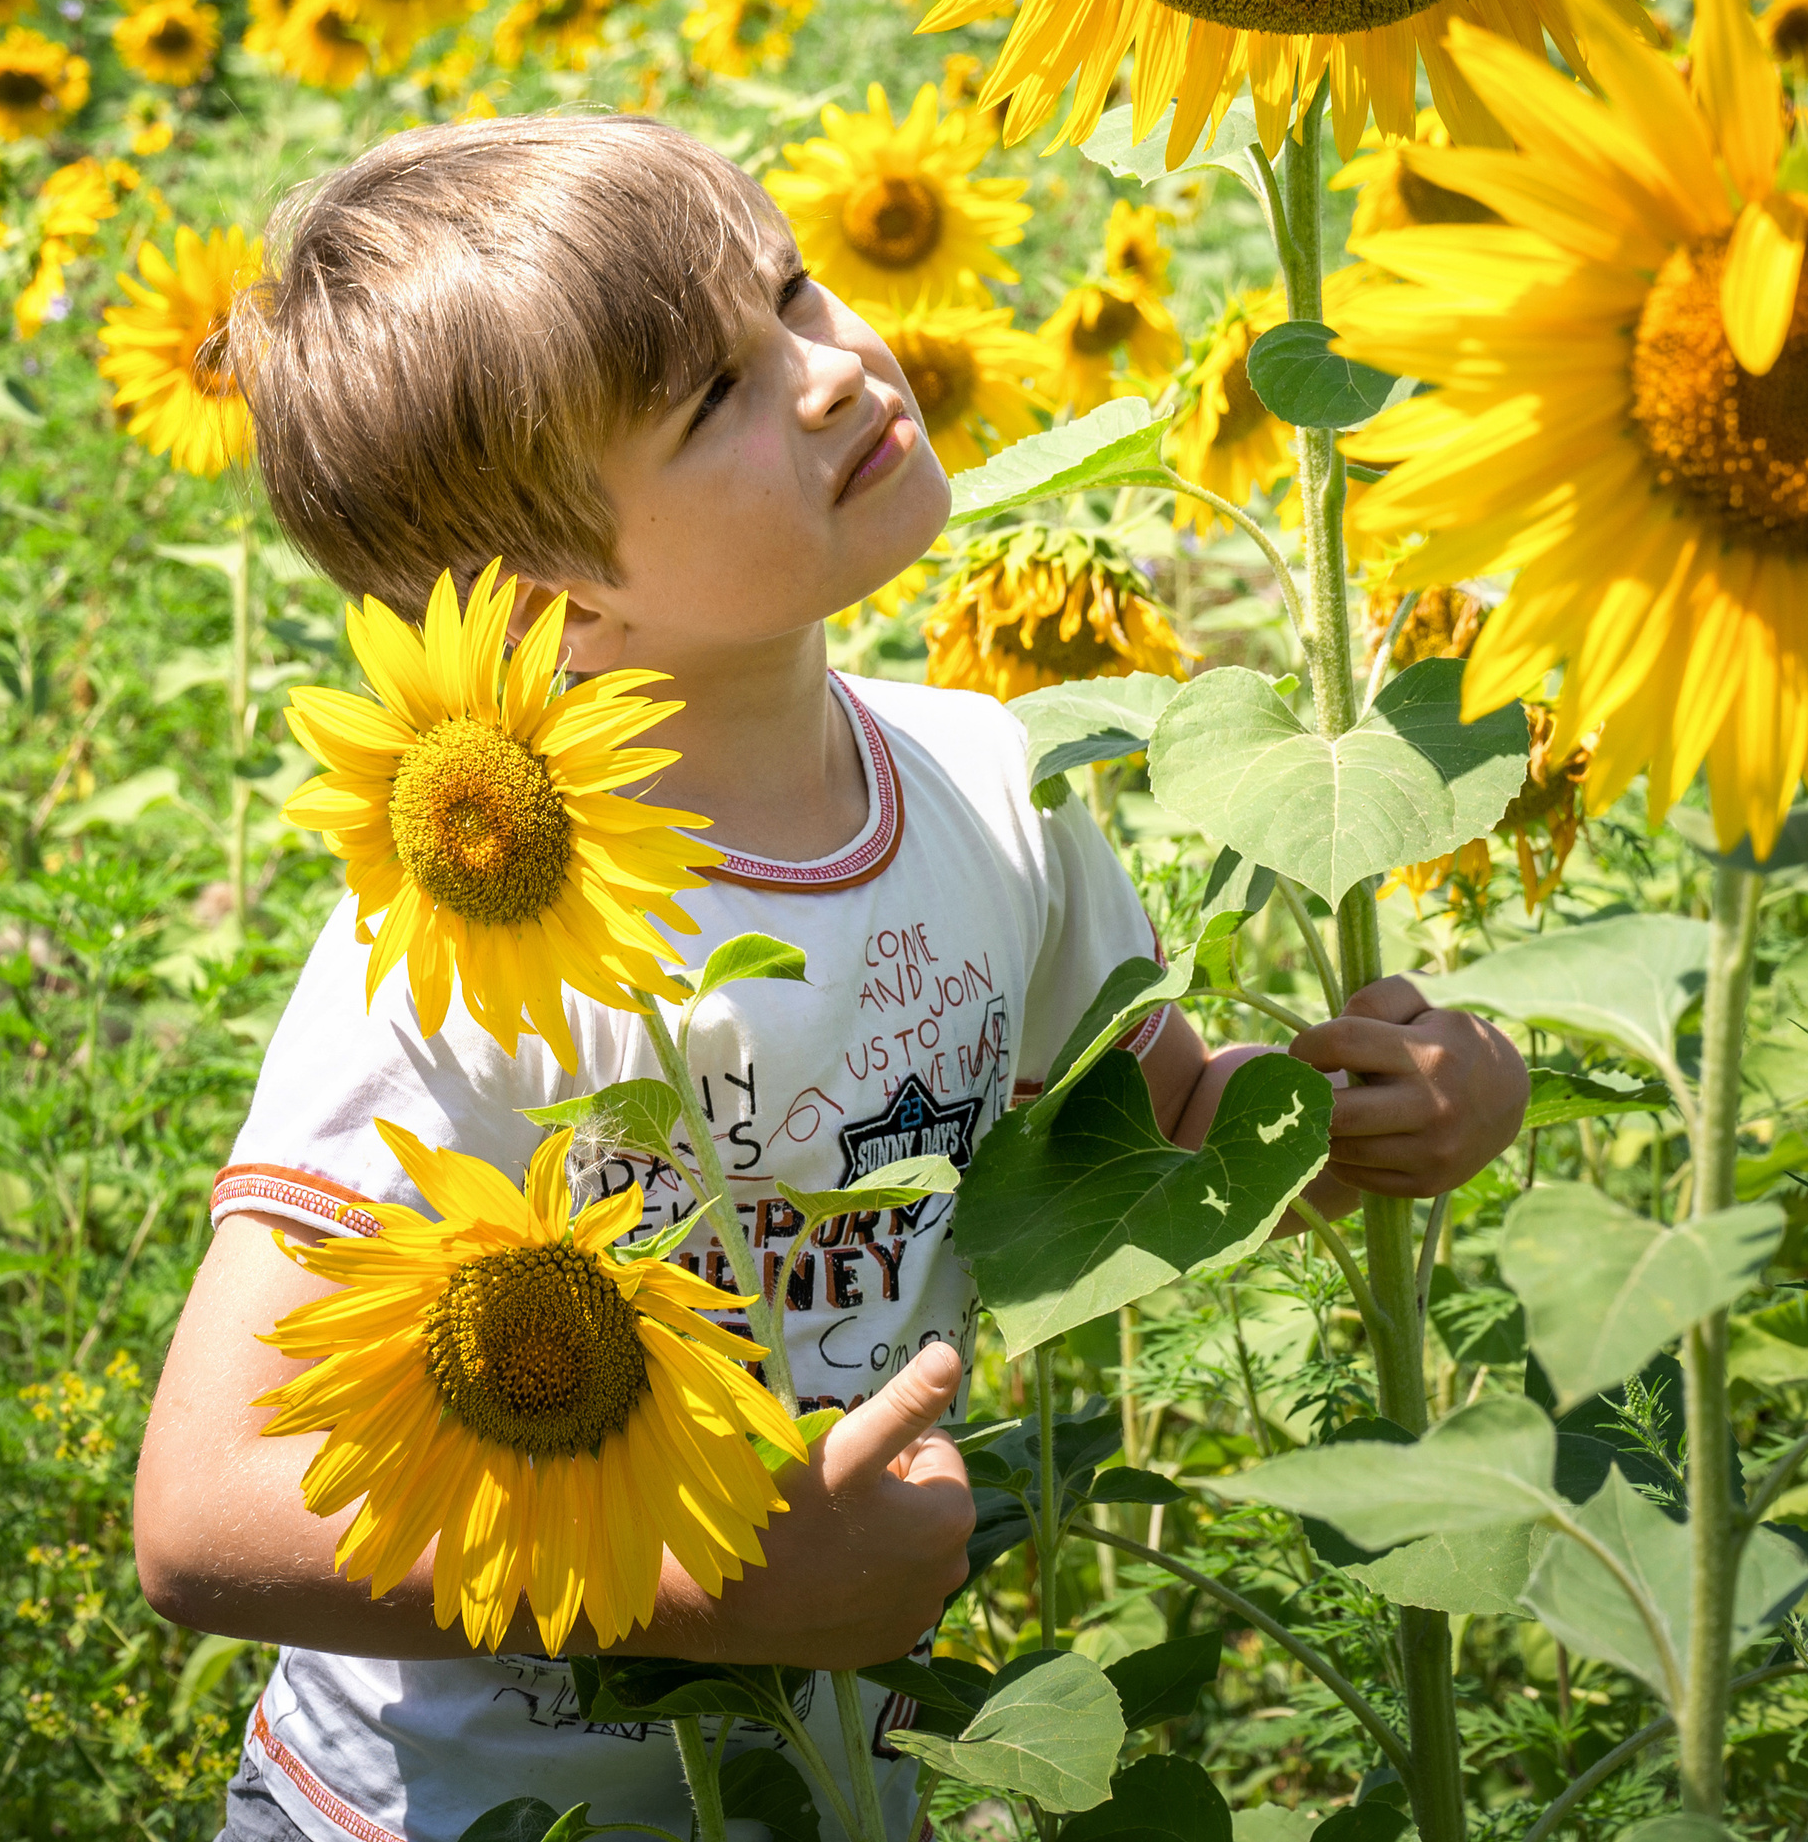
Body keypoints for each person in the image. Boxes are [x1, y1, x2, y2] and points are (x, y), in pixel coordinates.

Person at [131, 113, 1529, 1842]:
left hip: (835, 1785)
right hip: (453, 1811)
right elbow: (202, 1517)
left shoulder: (994, 786)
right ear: (552, 605)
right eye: (713, 392)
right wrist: (709, 1588)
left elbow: (1154, 1138)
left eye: (791, 287)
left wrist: (1385, 1103)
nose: (831, 368)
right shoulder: (467, 933)